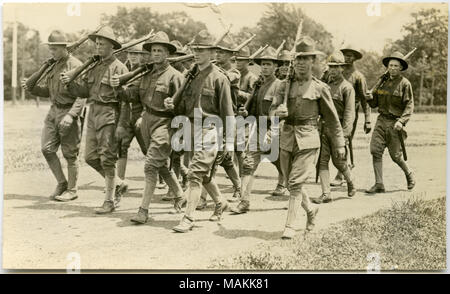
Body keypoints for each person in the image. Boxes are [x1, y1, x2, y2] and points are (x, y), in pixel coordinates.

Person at [270, 37, 346, 239]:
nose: (302, 63)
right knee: (289, 183)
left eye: (306, 59)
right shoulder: (283, 86)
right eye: (299, 59)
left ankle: (290, 226)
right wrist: (278, 111)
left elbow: (332, 119)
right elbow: (270, 111)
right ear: (294, 61)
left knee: (294, 184)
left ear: (313, 61)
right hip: (287, 138)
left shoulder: (320, 88)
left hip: (308, 139)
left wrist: (340, 144)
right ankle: (311, 211)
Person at [111, 31, 186, 223]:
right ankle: (179, 195)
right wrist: (118, 87)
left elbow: (184, 107)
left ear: (168, 53)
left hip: (166, 123)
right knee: (159, 164)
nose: (156, 54)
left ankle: (143, 210)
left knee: (150, 165)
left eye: (160, 50)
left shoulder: (175, 77)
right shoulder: (146, 74)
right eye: (153, 50)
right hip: (146, 121)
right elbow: (132, 96)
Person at [164, 30, 235, 232]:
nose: (197, 53)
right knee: (202, 174)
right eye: (195, 49)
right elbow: (182, 105)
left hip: (211, 129)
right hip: (190, 127)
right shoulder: (190, 76)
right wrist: (172, 104)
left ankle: (188, 217)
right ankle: (220, 201)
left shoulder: (219, 78)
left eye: (202, 50)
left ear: (212, 53)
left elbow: (228, 113)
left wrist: (228, 143)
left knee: (194, 173)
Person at [60, 26, 128, 214]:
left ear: (112, 46)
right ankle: (119, 184)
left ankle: (109, 200)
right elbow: (84, 92)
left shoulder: (120, 68)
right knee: (90, 157)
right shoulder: (94, 65)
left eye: (102, 44)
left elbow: (125, 101)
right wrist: (70, 83)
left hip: (109, 113)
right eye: (96, 44)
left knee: (107, 158)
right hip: (93, 112)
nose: (98, 47)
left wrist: (122, 124)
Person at [21, 30, 84, 202]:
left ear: (64, 48)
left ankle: (72, 190)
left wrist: (71, 115)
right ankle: (62, 183)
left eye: (55, 49)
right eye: (51, 48)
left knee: (70, 153)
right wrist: (31, 87)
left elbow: (82, 95)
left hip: (68, 111)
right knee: (47, 148)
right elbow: (47, 91)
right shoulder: (51, 65)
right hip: (53, 111)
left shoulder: (76, 65)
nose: (52, 52)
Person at [230, 46, 285, 214]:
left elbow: (282, 112)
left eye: (269, 64)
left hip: (274, 129)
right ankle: (244, 201)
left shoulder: (281, 86)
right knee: (248, 164)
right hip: (259, 129)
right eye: (263, 64)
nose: (266, 67)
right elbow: (252, 110)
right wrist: (246, 112)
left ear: (276, 66)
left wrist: (272, 130)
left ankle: (303, 202)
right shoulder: (259, 85)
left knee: (284, 165)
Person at [365, 51, 415, 194]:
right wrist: (369, 97)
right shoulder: (382, 83)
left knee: (396, 156)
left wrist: (402, 121)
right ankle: (379, 184)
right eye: (390, 65)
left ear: (400, 68)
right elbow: (374, 104)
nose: (392, 68)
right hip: (381, 121)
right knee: (375, 151)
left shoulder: (405, 84)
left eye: (395, 66)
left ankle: (409, 174)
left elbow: (409, 105)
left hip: (395, 123)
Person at [313, 51, 356, 204]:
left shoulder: (347, 88)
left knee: (339, 162)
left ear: (342, 68)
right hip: (324, 128)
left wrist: (344, 136)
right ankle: (326, 193)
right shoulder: (324, 86)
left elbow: (350, 114)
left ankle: (350, 181)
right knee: (322, 161)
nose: (333, 70)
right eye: (330, 67)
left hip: (338, 131)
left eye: (336, 67)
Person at [330, 46, 372, 186]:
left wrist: (368, 120)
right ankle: (343, 167)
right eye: (345, 55)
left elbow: (365, 100)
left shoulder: (358, 76)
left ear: (354, 58)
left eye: (350, 56)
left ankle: (341, 174)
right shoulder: (331, 73)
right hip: (333, 113)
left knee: (344, 141)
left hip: (349, 114)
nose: (348, 58)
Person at [115, 43, 149, 193]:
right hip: (125, 114)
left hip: (141, 114)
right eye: (131, 53)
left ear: (142, 55)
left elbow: (149, 97)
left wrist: (143, 116)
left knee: (148, 150)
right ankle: (119, 182)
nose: (134, 56)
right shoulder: (122, 69)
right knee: (121, 147)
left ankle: (166, 180)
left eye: (137, 53)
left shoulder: (147, 70)